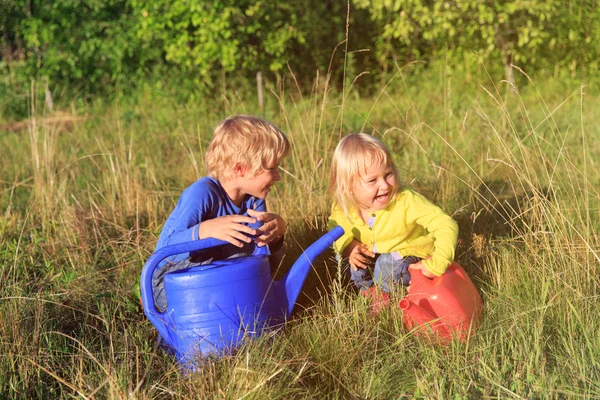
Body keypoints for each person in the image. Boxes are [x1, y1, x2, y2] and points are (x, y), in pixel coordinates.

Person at [151, 115, 290, 312]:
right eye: (272, 168)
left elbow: (261, 254)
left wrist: (276, 233)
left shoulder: (253, 198)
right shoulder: (203, 193)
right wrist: (204, 230)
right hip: (174, 285)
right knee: (239, 251)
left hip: (216, 281)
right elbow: (164, 249)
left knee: (262, 258)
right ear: (240, 169)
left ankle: (240, 312)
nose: (278, 176)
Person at [327, 133, 458, 314]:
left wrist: (436, 264)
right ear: (349, 187)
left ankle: (392, 300)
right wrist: (350, 247)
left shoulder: (405, 200)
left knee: (387, 265)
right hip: (375, 255)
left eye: (388, 174)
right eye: (372, 180)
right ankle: (370, 293)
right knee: (347, 260)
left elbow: (445, 224)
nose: (385, 185)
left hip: (408, 256)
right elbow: (335, 229)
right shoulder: (344, 206)